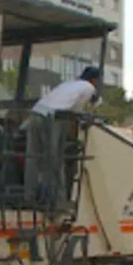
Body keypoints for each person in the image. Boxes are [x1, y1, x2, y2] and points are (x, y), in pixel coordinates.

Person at [24, 66, 102, 210]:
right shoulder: (89, 88)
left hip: (35, 114)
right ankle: (57, 201)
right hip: (53, 118)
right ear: (94, 80)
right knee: (55, 159)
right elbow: (77, 111)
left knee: (33, 157)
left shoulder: (68, 84)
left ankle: (29, 196)